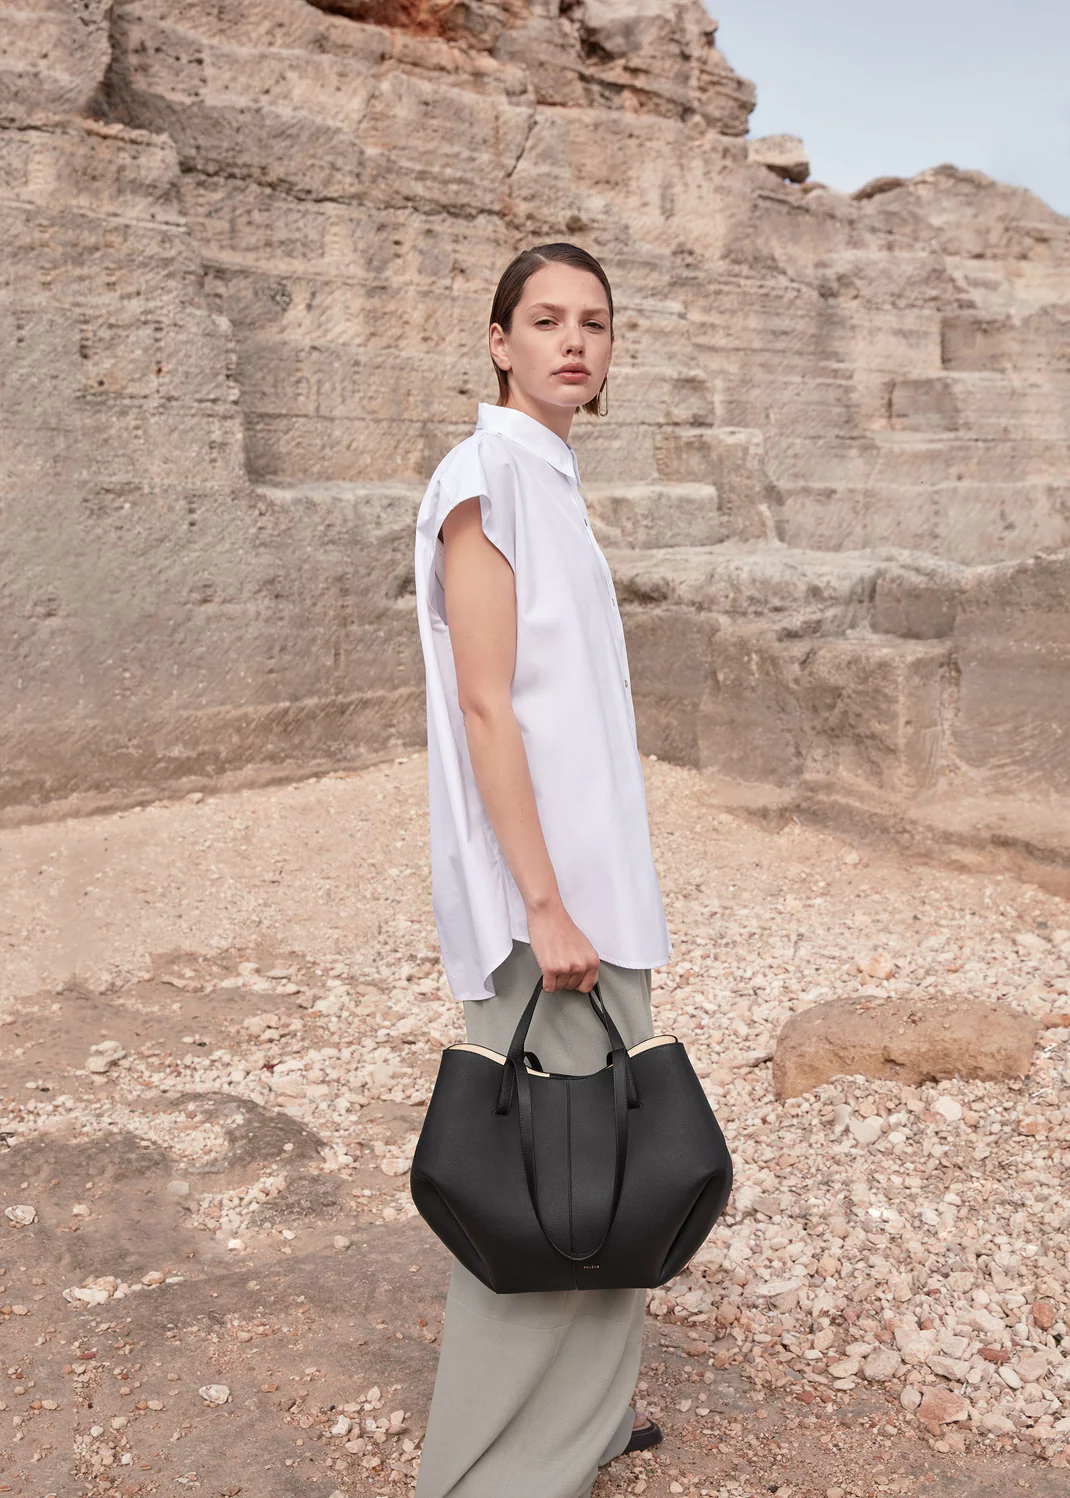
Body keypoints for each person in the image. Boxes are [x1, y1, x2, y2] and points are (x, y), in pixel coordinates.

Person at [411, 242, 674, 1498]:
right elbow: (486, 707)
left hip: (597, 889)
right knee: (536, 1192)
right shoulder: (483, 480)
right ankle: (480, 1475)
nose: (573, 342)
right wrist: (543, 904)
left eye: (594, 323)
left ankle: (580, 1428)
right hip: (547, 902)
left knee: (613, 1176)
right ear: (499, 340)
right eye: (546, 319)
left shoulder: (551, 479)